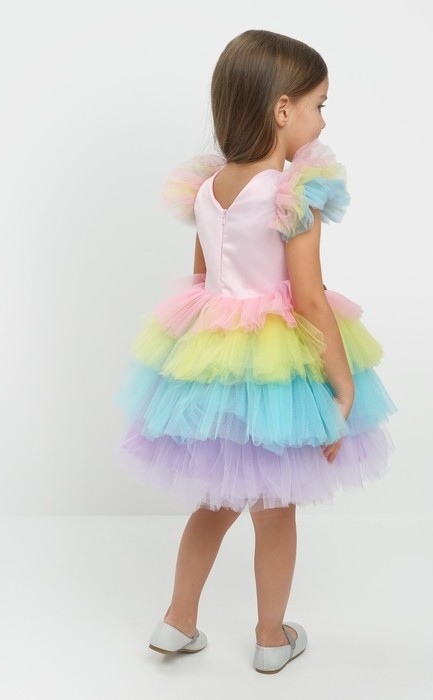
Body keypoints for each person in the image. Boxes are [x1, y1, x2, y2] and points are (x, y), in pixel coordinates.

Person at [115, 28, 396, 674]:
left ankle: (177, 621)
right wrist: (343, 384)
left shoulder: (208, 188)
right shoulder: (294, 192)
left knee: (215, 501)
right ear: (282, 109)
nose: (322, 121)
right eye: (319, 105)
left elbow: (201, 280)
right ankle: (272, 637)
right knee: (275, 510)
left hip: (214, 362)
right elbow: (310, 297)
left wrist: (197, 357)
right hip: (277, 369)